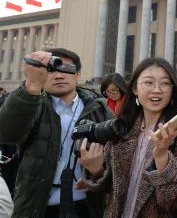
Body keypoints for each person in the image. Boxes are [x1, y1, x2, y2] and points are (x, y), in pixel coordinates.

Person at [0, 48, 115, 218]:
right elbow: (6, 133)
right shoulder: (32, 106)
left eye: (67, 69)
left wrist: (98, 171)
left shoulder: (99, 110)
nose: (59, 75)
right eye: (52, 69)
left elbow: (119, 163)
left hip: (86, 208)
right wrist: (31, 86)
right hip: (37, 208)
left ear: (77, 74)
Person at [79, 57, 177, 217]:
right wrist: (96, 169)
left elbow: (173, 200)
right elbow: (111, 189)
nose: (157, 90)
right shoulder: (122, 128)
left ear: (172, 90)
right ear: (135, 88)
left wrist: (162, 157)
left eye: (164, 83)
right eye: (148, 83)